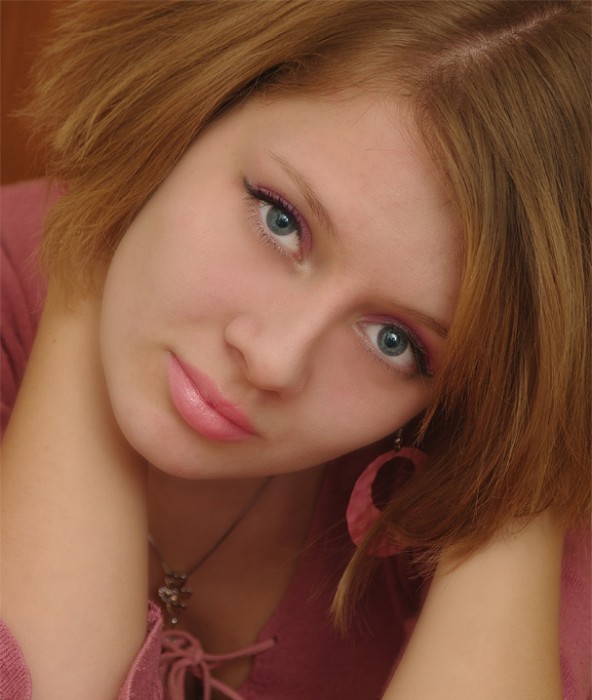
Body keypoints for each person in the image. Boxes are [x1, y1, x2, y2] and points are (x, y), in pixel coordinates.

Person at [1, 1, 590, 699]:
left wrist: (525, 449)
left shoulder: (481, 469)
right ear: (196, 103)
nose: (274, 361)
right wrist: (98, 221)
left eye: (394, 341)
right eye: (280, 219)